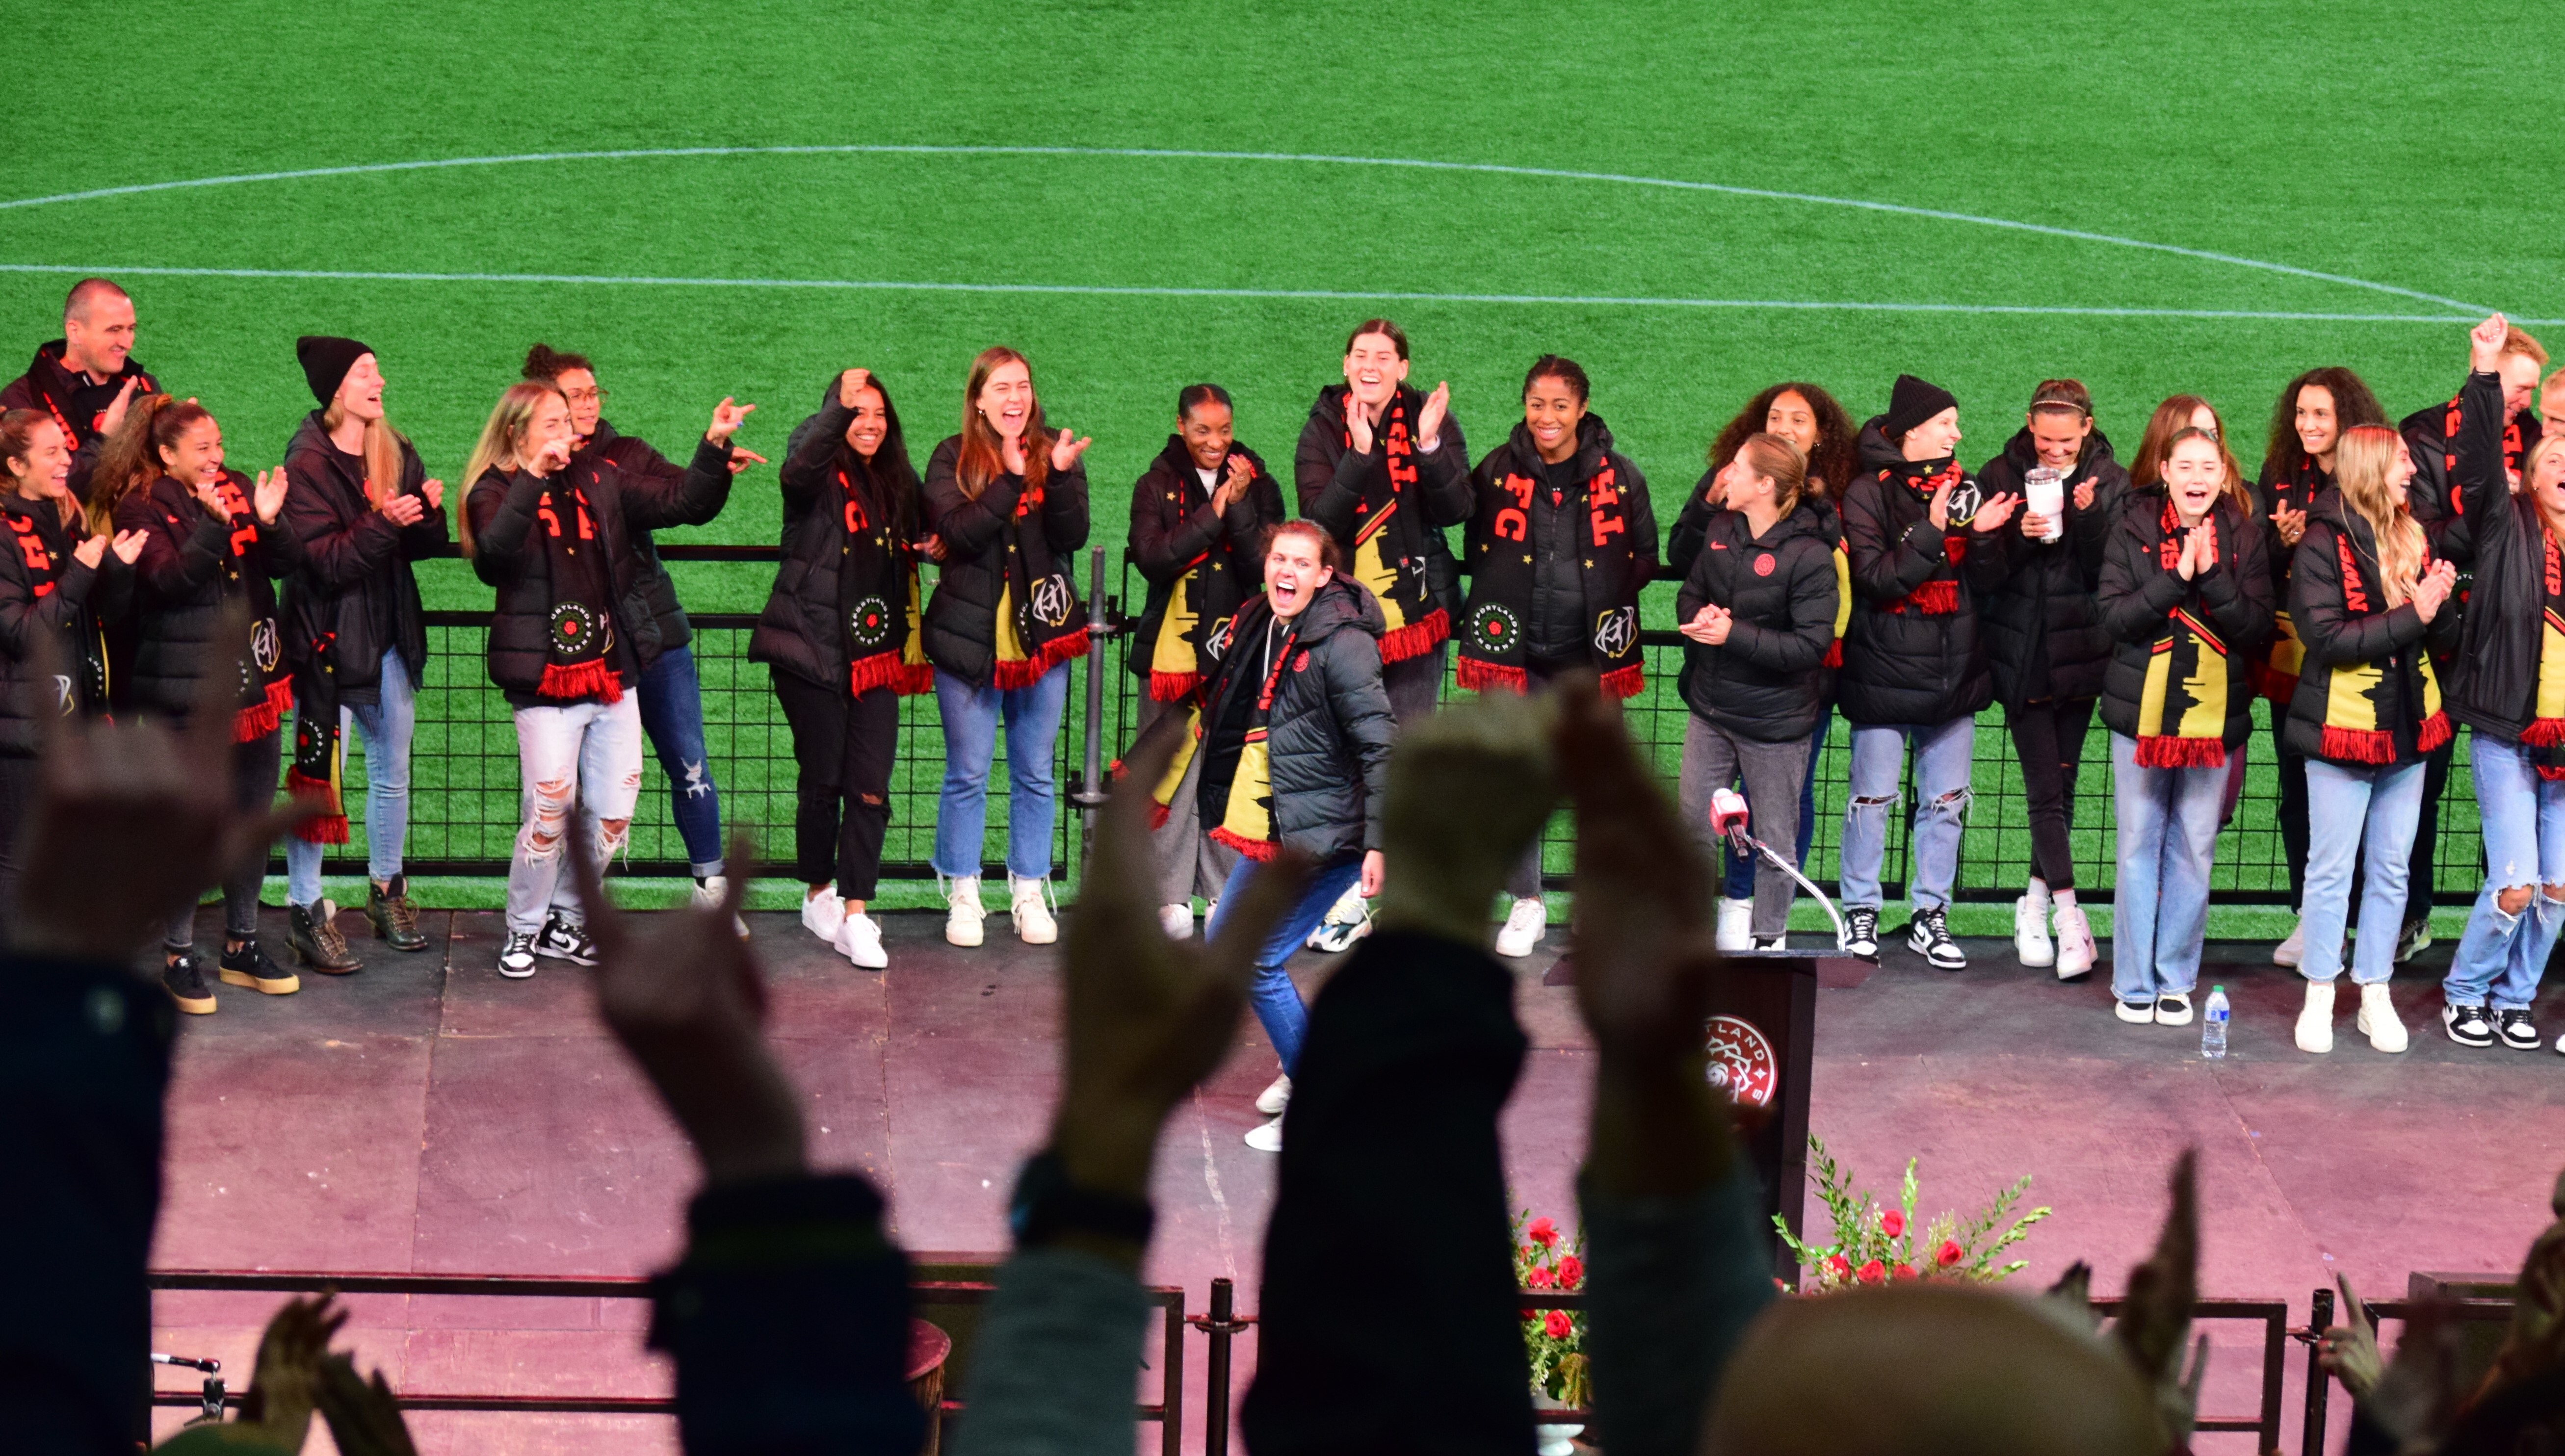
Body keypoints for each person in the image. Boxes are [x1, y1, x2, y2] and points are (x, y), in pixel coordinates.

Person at [460, 380, 745, 979]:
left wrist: (712, 449)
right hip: (543, 682)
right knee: (548, 813)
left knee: (615, 811)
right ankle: (522, 927)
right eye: (552, 423)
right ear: (518, 433)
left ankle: (565, 917)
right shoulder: (495, 488)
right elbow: (494, 557)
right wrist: (534, 477)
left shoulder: (599, 477)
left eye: (569, 420)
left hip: (612, 675)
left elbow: (679, 502)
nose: (567, 431)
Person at [523, 344, 758, 916]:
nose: (588, 404)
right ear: (545, 402)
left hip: (653, 639)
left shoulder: (621, 457)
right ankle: (569, 905)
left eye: (592, 392)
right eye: (574, 395)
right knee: (572, 789)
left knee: (689, 763)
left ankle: (711, 892)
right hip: (579, 651)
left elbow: (684, 498)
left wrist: (713, 454)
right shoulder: (526, 471)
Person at [93, 395, 304, 1009]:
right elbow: (167, 582)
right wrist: (214, 525)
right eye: (203, 448)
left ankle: (240, 945)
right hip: (187, 691)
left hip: (255, 682)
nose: (217, 458)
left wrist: (268, 522)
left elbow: (288, 563)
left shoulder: (238, 487)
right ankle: (178, 954)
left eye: (219, 445)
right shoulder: (142, 506)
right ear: (166, 454)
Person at [1192, 520, 1393, 1151]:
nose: (1287, 571)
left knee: (1253, 957)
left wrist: (1380, 842)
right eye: (1279, 559)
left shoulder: (1344, 643)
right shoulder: (1268, 624)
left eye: (1302, 563)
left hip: (1331, 834)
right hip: (1288, 826)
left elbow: (1381, 746)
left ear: (1325, 575)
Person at [1457, 354, 1657, 957]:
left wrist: (1605, 596)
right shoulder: (1494, 468)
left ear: (1581, 409)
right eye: (1537, 404)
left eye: (1560, 405)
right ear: (1524, 405)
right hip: (1517, 658)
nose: (1547, 417)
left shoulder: (1621, 477)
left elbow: (1644, 556)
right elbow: (1476, 547)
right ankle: (1527, 904)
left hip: (1590, 660)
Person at [1293, 318, 1471, 953]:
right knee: (1345, 762)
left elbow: (1458, 510)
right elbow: (1318, 522)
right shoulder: (1323, 426)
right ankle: (1346, 901)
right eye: (1361, 355)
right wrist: (1361, 454)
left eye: (1384, 356)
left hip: (1417, 624)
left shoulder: (1431, 420)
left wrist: (1428, 449)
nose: (1371, 365)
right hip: (1343, 626)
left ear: (1402, 367)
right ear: (1346, 365)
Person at [2279, 423, 2456, 1055]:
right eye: (2401, 460)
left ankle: (2373, 991)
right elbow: (2329, 640)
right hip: (2341, 731)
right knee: (2330, 871)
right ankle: (2320, 992)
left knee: (2389, 868)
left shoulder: (2412, 532)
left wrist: (2440, 602)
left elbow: (2439, 638)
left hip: (2408, 729)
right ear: (2369, 467)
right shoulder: (2320, 543)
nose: (2412, 470)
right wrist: (2418, 612)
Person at [1836, 374, 2022, 968]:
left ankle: (1929, 915)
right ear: (1913, 430)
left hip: (1952, 671)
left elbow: (1986, 584)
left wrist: (1988, 539)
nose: (1956, 433)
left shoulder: (1960, 486)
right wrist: (1936, 530)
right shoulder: (1866, 492)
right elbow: (1876, 579)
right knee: (1872, 799)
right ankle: (1860, 910)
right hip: (1883, 671)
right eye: (1946, 423)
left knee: (1944, 802)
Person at [276, 337, 448, 973]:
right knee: (319, 784)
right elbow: (324, 561)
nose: (378, 381)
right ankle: (305, 907)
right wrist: (389, 523)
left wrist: (424, 513)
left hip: (387, 637)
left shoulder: (392, 448)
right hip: (327, 646)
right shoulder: (309, 463)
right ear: (336, 391)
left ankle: (386, 890)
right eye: (364, 373)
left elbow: (429, 542)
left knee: (392, 771)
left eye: (378, 369)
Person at [756, 366, 935, 970]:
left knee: (870, 784)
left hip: (876, 654)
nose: (870, 423)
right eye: (857, 411)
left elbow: (930, 522)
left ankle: (856, 911)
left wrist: (933, 542)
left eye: (879, 413)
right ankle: (816, 891)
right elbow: (798, 466)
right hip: (809, 649)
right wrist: (838, 407)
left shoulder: (894, 479)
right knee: (825, 778)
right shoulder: (812, 468)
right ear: (833, 414)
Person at [1669, 382, 1858, 951]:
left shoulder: (1810, 556)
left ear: (1764, 486)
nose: (1723, 474)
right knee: (1690, 830)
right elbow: (1689, 589)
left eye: (1736, 469)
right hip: (1711, 708)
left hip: (1775, 725)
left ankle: (1768, 940)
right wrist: (1699, 618)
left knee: (1773, 842)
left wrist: (1731, 634)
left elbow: (1807, 647)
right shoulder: (1723, 530)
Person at [2097, 426, 2272, 1026]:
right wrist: (2176, 579)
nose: (2197, 479)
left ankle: (2175, 979)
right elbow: (2114, 618)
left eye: (2209, 467)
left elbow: (2255, 629)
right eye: (2186, 467)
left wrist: (2213, 578)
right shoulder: (2131, 529)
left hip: (2212, 722)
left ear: (2223, 476)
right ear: (2165, 472)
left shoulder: (2246, 538)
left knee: (2194, 849)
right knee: (2136, 847)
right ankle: (2133, 981)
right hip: (2139, 719)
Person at [921, 346, 1092, 950]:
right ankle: (964, 892)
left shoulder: (1055, 452)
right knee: (967, 772)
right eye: (1001, 388)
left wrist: (1063, 477)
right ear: (978, 400)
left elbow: (1072, 535)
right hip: (968, 642)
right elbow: (959, 533)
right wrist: (1013, 478)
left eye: (1022, 386)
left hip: (1041, 639)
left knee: (1035, 772)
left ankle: (1027, 889)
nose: (1015, 398)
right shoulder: (950, 457)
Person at [2391, 324, 2547, 965]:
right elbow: (2420, 534)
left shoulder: (2538, 440)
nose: (2526, 405)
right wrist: (2491, 516)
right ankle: (2412, 915)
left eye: (2533, 393)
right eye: (2517, 391)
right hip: (2441, 633)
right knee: (2419, 785)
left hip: (2514, 640)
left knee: (2517, 793)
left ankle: (2513, 927)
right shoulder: (2424, 433)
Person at [2441, 315, 2565, 1054]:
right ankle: (2467, 990)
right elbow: (2480, 462)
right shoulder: (2504, 521)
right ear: (2537, 468)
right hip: (2505, 731)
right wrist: (2486, 372)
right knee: (2515, 883)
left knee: (2557, 891)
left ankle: (2515, 997)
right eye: (2557, 459)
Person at [1977, 380, 2125, 979]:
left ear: (2086, 428)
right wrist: (2014, 536)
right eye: (2044, 440)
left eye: (2065, 440)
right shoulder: (1998, 472)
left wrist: (2085, 520)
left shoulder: (2109, 481)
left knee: (2063, 787)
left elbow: (2106, 571)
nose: (2053, 451)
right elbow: (1982, 575)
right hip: (2021, 654)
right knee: (2043, 788)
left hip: (2081, 652)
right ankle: (2069, 917)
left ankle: (2032, 905)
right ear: (2027, 425)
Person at [1125, 382, 1283, 939]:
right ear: (1180, 426)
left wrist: (1239, 508)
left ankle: (1221, 893)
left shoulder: (1258, 485)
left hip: (1237, 656)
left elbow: (1264, 566)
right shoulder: (1154, 485)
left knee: (1227, 775)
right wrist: (1216, 509)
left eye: (1223, 430)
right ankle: (1169, 898)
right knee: (1170, 776)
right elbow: (1153, 559)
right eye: (1201, 431)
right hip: (1170, 663)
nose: (1214, 442)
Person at [2255, 366, 2389, 967]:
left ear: (2346, 420)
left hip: (2363, 661)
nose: (2306, 425)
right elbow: (2253, 563)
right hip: (2295, 658)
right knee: (2296, 789)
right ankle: (2314, 918)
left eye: (2319, 414)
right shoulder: (2281, 476)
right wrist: (2279, 543)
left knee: (2367, 798)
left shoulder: (2373, 474)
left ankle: (2372, 920)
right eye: (2300, 413)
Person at [0, 409, 139, 949]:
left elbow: (102, 616)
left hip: (74, 717)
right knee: (18, 858)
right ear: (15, 465)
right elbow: (24, 634)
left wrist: (117, 572)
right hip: (22, 729)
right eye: (53, 451)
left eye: (66, 447)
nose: (68, 460)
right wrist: (82, 573)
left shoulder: (62, 517)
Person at [1, 278, 158, 505]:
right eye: (114, 330)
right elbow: (39, 496)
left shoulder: (143, 386)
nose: (127, 342)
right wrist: (104, 440)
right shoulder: (23, 400)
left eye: (130, 329)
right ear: (75, 332)